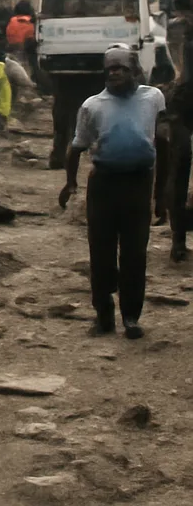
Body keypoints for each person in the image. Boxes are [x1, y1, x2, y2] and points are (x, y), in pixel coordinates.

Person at [59, 47, 166, 339]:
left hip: (138, 183)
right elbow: (77, 147)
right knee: (101, 251)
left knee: (134, 252)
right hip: (104, 184)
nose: (114, 73)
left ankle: (131, 316)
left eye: (120, 68)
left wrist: (163, 190)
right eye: (109, 69)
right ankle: (103, 314)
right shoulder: (93, 106)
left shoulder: (153, 98)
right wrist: (70, 183)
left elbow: (163, 140)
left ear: (136, 71)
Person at [165, 0, 193, 259]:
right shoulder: (178, 30)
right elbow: (179, 71)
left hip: (182, 103)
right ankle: (178, 239)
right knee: (181, 162)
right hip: (183, 104)